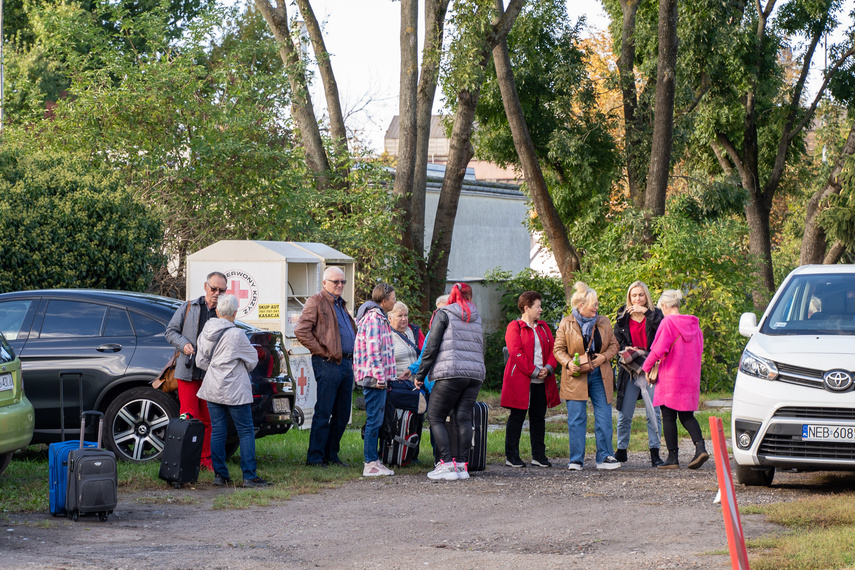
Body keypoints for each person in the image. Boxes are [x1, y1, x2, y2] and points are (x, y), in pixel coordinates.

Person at [195, 294, 268, 487]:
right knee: (245, 431)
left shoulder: (206, 331)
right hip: (235, 389)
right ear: (235, 313)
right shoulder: (237, 335)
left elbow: (200, 361)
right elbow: (252, 360)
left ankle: (220, 476)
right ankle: (249, 476)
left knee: (218, 430)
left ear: (217, 311)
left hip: (212, 387)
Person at [413, 284, 484, 481]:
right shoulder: (475, 316)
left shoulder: (443, 313)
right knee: (463, 417)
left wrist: (420, 375)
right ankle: (461, 465)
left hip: (450, 373)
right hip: (475, 374)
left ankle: (445, 463)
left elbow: (431, 346)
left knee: (435, 416)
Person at [553, 281, 620, 471]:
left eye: (597, 304)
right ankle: (576, 459)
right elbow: (558, 349)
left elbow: (614, 346)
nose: (597, 308)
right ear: (580, 306)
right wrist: (568, 363)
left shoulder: (604, 322)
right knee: (576, 418)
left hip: (600, 374)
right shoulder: (566, 323)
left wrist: (603, 357)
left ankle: (605, 456)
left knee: (604, 416)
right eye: (594, 304)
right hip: (575, 375)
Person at [294, 266, 357, 467]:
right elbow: (302, 331)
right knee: (324, 411)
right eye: (335, 282)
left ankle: (331, 455)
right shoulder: (317, 301)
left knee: (342, 414)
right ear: (324, 283)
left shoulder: (340, 304)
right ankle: (315, 457)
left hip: (346, 363)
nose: (340, 285)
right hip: (328, 363)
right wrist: (323, 352)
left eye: (342, 282)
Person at [165, 271, 227, 471]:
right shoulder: (189, 306)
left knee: (209, 420)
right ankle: (185, 460)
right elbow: (170, 331)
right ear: (205, 286)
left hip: (211, 374)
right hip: (188, 371)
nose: (217, 293)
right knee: (188, 417)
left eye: (222, 290)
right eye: (214, 288)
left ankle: (206, 460)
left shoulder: (224, 311)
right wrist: (184, 345)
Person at [642, 290, 708, 469]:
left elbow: (658, 350)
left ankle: (673, 458)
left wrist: (646, 368)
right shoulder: (695, 325)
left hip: (671, 376)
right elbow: (699, 351)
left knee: (668, 416)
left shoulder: (667, 323)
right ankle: (700, 447)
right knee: (687, 415)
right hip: (690, 377)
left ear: (664, 306)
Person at [501, 291, 560, 468]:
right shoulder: (514, 326)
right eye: (538, 306)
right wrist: (534, 371)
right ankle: (511, 456)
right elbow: (516, 352)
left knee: (538, 418)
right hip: (521, 380)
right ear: (527, 308)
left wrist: (548, 368)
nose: (541, 309)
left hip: (542, 380)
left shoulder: (543, 327)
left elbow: (553, 349)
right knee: (517, 417)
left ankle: (539, 456)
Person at [613, 281, 665, 467]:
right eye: (633, 295)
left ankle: (655, 452)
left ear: (646, 296)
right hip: (630, 368)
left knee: (654, 413)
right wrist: (624, 348)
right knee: (625, 414)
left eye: (640, 295)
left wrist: (647, 313)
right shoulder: (622, 317)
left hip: (651, 368)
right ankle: (621, 451)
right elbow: (615, 343)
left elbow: (663, 334)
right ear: (629, 297)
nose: (637, 299)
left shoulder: (656, 314)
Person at [353, 283, 397, 477]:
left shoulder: (379, 317)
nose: (395, 301)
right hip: (373, 377)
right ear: (384, 300)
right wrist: (380, 377)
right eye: (393, 298)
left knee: (377, 419)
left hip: (377, 376)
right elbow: (373, 349)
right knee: (374, 420)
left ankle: (374, 460)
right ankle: (370, 463)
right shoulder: (374, 318)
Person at [388, 301, 425, 379]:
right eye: (400, 316)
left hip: (417, 383)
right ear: (390, 318)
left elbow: (425, 353)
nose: (404, 319)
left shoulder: (415, 331)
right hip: (397, 383)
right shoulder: (386, 334)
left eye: (406, 315)